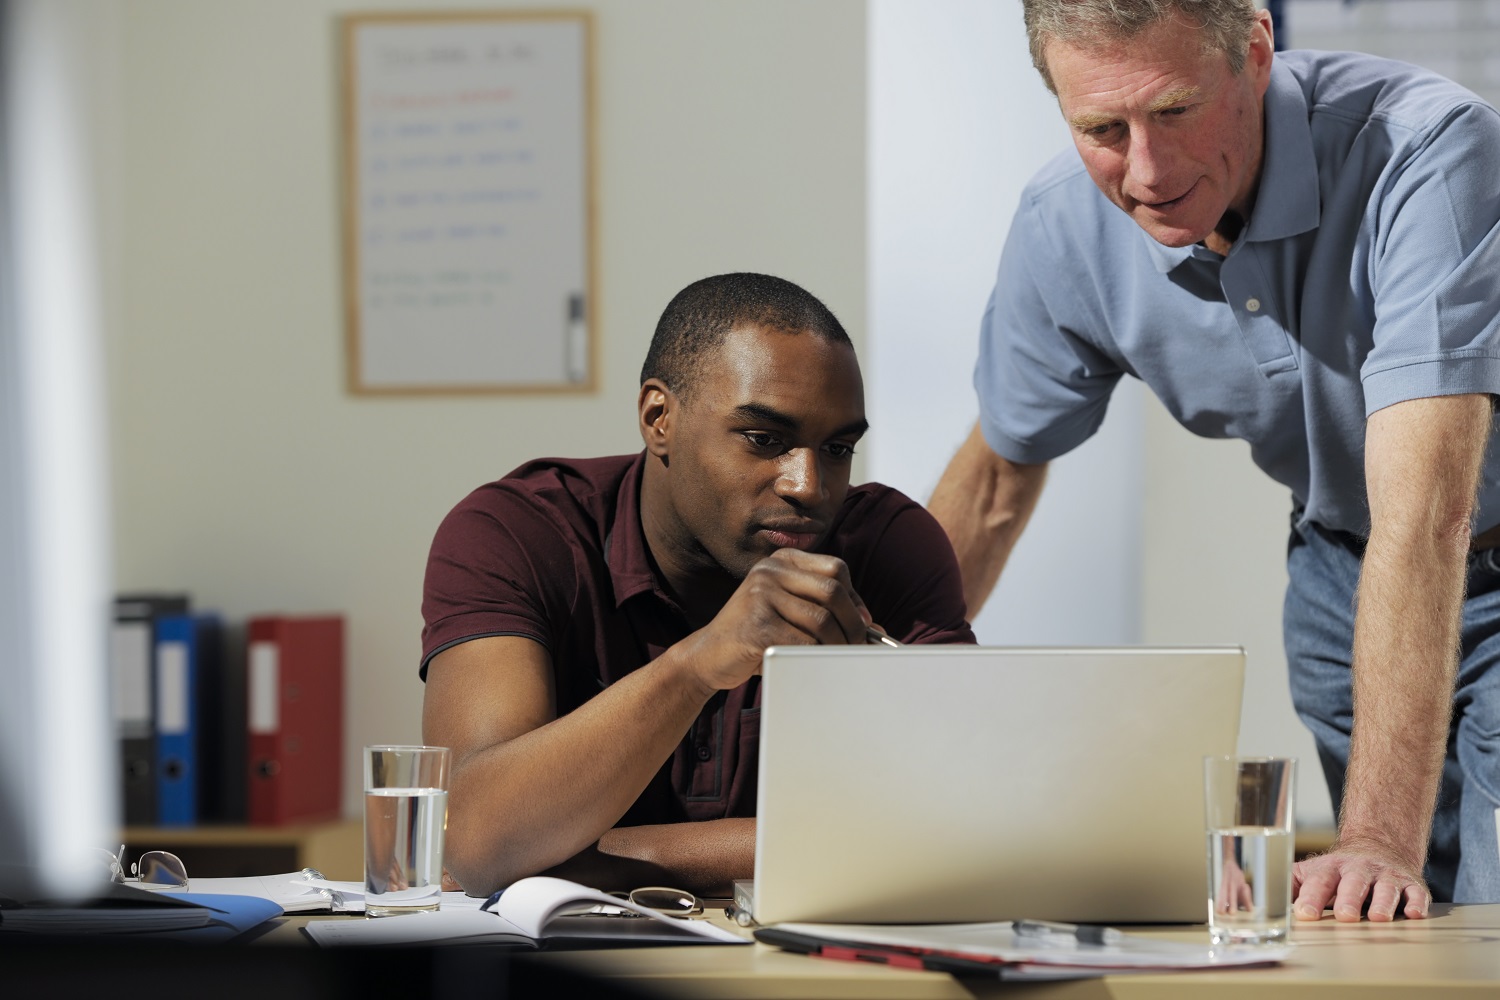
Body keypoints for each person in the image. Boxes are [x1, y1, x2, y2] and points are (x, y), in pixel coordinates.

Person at [930, 0, 1500, 922]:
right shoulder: (1064, 228)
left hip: (1452, 540)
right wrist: (850, 739)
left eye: (1178, 110)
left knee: (1481, 927)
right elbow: (992, 486)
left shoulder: (1427, 152)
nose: (1146, 172)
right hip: (1337, 572)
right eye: (1103, 130)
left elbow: (1429, 514)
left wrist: (1372, 839)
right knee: (1388, 933)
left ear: (1257, 52)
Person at [422, 273, 974, 898]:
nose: (808, 485)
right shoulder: (518, 532)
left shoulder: (886, 544)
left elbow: (961, 826)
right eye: (765, 440)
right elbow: (476, 841)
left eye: (839, 448)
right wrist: (697, 665)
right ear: (659, 417)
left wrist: (615, 854)